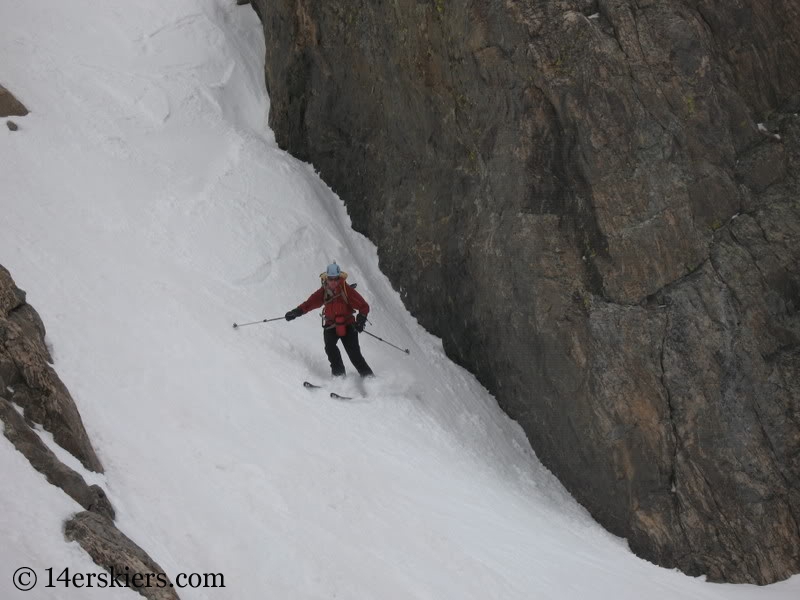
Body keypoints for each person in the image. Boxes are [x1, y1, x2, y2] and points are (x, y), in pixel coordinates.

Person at [285, 262, 374, 378]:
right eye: (331, 279)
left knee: (354, 355)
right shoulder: (323, 291)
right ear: (327, 278)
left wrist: (360, 321)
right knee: (330, 348)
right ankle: (339, 376)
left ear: (339, 278)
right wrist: (296, 312)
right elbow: (309, 304)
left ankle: (370, 379)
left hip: (348, 325)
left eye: (336, 279)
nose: (333, 282)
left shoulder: (346, 290)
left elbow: (363, 306)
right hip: (330, 326)